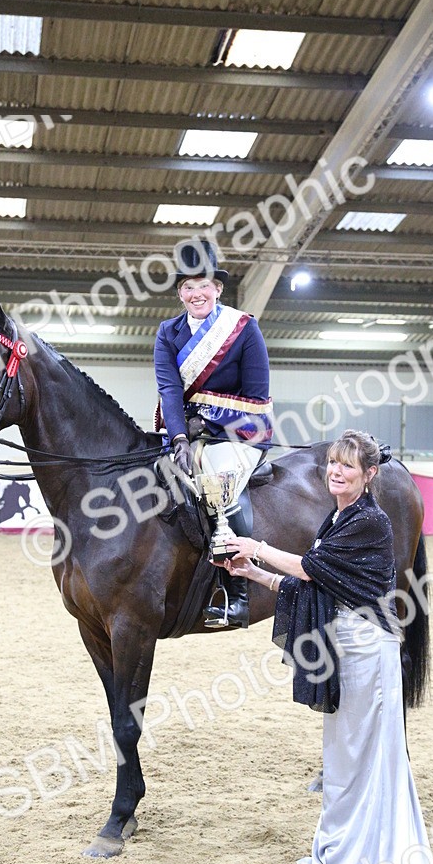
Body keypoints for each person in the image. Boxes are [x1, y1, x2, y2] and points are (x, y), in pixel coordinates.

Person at [223, 429, 433, 864]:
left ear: (369, 474)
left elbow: (309, 568)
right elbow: (317, 584)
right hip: (348, 651)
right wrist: (254, 574)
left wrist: (256, 547)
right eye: (334, 463)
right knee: (342, 760)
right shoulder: (338, 517)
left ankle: (373, 860)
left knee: (365, 761)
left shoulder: (371, 521)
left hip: (368, 653)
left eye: (347, 466)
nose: (336, 472)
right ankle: (341, 848)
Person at [154, 238, 273, 629]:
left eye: (203, 285)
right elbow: (170, 391)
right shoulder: (167, 333)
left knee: (218, 485)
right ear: (180, 293)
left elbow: (256, 398)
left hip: (240, 431)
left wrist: (206, 423)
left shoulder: (243, 328)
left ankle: (238, 593)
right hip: (186, 433)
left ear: (218, 288)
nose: (196, 294)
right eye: (188, 287)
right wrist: (179, 438)